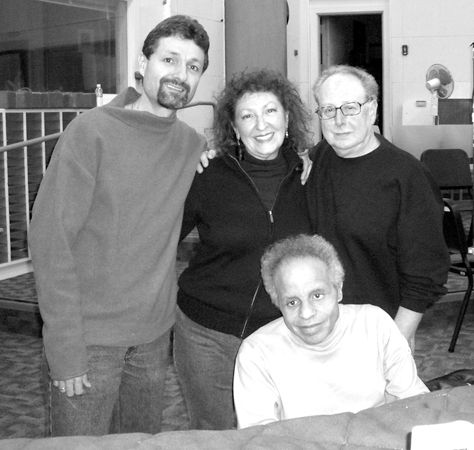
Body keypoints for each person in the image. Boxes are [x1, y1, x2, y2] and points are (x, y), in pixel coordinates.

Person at [28, 15, 210, 436]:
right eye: (169, 59)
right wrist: (65, 348)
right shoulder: (90, 132)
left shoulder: (192, 146)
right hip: (89, 343)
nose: (181, 74)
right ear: (142, 64)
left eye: (193, 66)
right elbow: (51, 241)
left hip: (152, 342)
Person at [174, 69, 314, 430]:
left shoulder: (311, 177)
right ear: (235, 128)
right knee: (214, 433)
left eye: (270, 111)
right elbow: (162, 237)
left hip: (283, 333)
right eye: (247, 116)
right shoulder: (207, 174)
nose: (261, 125)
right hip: (207, 333)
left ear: (287, 118)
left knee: (278, 432)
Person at [306, 65, 449, 349]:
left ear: (371, 111)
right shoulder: (315, 160)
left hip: (379, 332)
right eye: (329, 110)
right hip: (316, 327)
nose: (339, 120)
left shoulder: (407, 176)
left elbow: (425, 273)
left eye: (350, 108)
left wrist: (394, 342)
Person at [233, 233, 429, 429]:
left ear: (339, 289)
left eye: (317, 295)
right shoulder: (256, 353)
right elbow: (258, 436)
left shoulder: (374, 324)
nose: (306, 313)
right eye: (292, 302)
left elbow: (414, 401)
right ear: (277, 302)